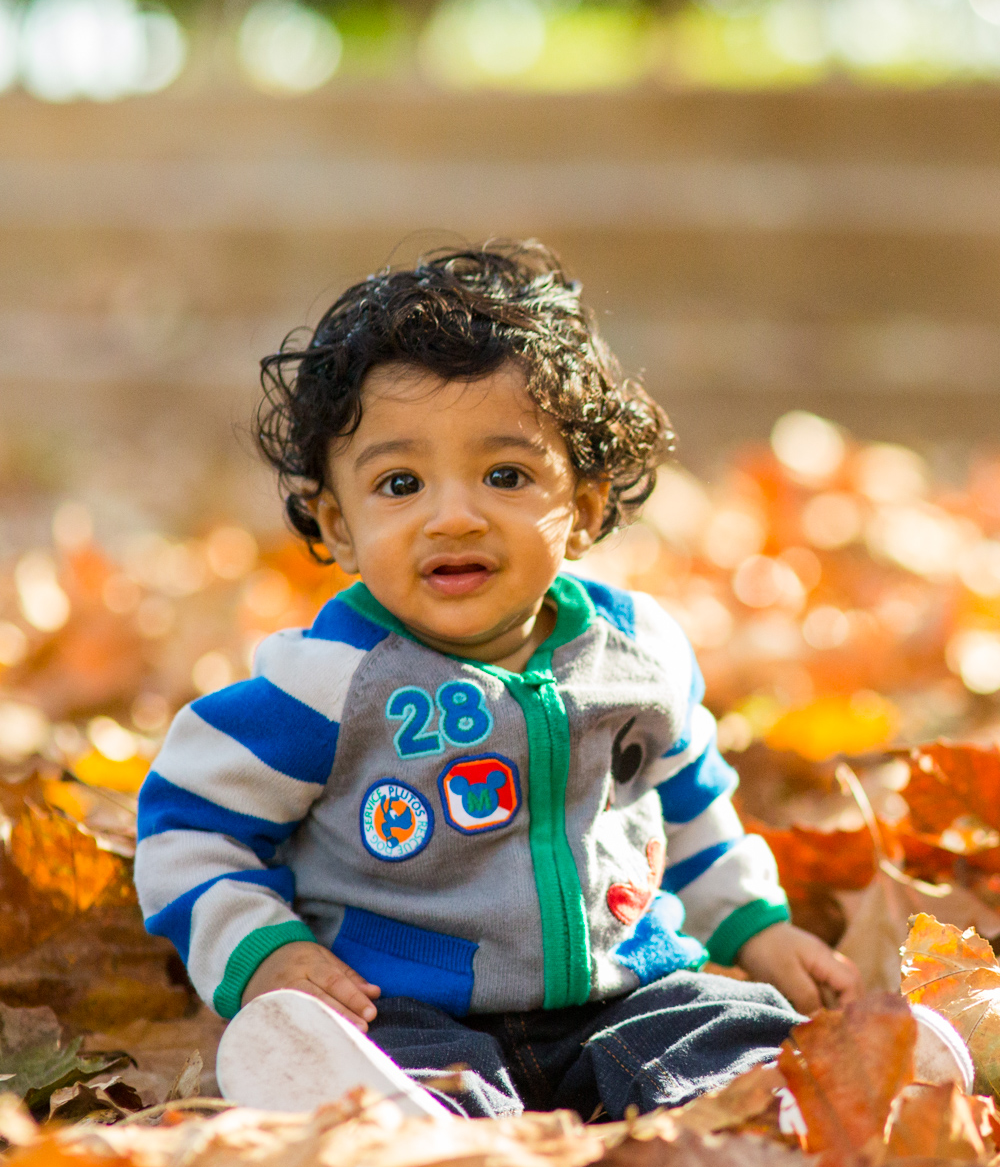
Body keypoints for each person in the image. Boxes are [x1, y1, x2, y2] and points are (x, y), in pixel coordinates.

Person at [135, 242, 860, 1119]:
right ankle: (412, 1123)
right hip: (407, 1003)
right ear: (341, 524)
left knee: (723, 1021)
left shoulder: (638, 653)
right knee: (388, 1057)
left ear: (585, 508)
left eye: (506, 475)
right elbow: (187, 826)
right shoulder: (327, 681)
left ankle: (797, 1096)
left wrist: (756, 926)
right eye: (400, 484)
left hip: (622, 992)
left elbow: (690, 803)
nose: (454, 516)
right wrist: (260, 947)